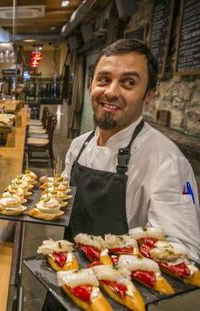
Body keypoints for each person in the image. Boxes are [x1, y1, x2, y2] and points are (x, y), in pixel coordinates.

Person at [42, 38, 200, 311]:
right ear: (92, 84)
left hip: (120, 296)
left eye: (128, 83)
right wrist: (51, 194)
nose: (111, 92)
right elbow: (66, 199)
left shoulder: (167, 161)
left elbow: (182, 250)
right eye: (103, 80)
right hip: (67, 279)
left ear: (148, 94)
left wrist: (117, 270)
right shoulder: (79, 146)